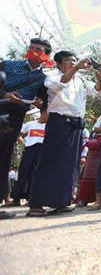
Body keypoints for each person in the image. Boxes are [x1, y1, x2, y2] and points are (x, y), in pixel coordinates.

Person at [28, 52, 101, 217]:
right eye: (70, 61)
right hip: (59, 122)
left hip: (76, 124)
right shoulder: (52, 76)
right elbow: (61, 83)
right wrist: (77, 68)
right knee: (49, 162)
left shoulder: (81, 80)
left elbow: (98, 91)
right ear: (59, 63)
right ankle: (36, 204)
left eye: (75, 61)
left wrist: (99, 77)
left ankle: (61, 202)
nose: (74, 63)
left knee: (69, 165)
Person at [0, 38, 51, 219]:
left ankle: (3, 197)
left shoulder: (43, 79)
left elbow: (44, 101)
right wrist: (5, 94)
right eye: (32, 48)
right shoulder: (7, 65)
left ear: (46, 56)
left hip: (15, 117)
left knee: (5, 154)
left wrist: (39, 104)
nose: (33, 51)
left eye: (39, 49)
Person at [9, 110, 48, 206]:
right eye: (48, 114)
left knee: (35, 175)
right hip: (29, 149)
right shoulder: (30, 124)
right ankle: (16, 199)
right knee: (23, 172)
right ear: (42, 113)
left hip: (41, 151)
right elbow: (20, 136)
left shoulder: (49, 127)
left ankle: (31, 199)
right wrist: (24, 144)